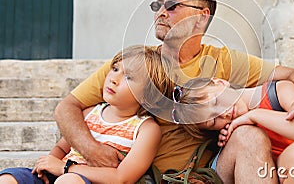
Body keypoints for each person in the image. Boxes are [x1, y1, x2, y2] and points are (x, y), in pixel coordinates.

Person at [54, 0, 294, 183]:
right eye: (157, 6)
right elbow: (67, 107)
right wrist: (90, 149)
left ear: (201, 16)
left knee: (250, 136)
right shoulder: (135, 65)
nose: (160, 13)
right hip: (154, 176)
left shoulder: (223, 60)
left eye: (172, 6)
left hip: (209, 172)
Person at [0, 45, 174, 184]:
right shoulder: (90, 112)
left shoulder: (146, 129)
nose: (114, 78)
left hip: (87, 179)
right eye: (115, 69)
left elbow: (122, 178)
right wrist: (47, 165)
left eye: (128, 77)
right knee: (9, 178)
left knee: (68, 181)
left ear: (149, 95)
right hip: (59, 173)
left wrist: (65, 168)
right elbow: (62, 148)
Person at [175, 77, 294, 183]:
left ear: (221, 82)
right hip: (272, 173)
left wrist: (255, 115)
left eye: (216, 101)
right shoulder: (232, 131)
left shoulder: (278, 91)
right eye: (212, 121)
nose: (223, 114)